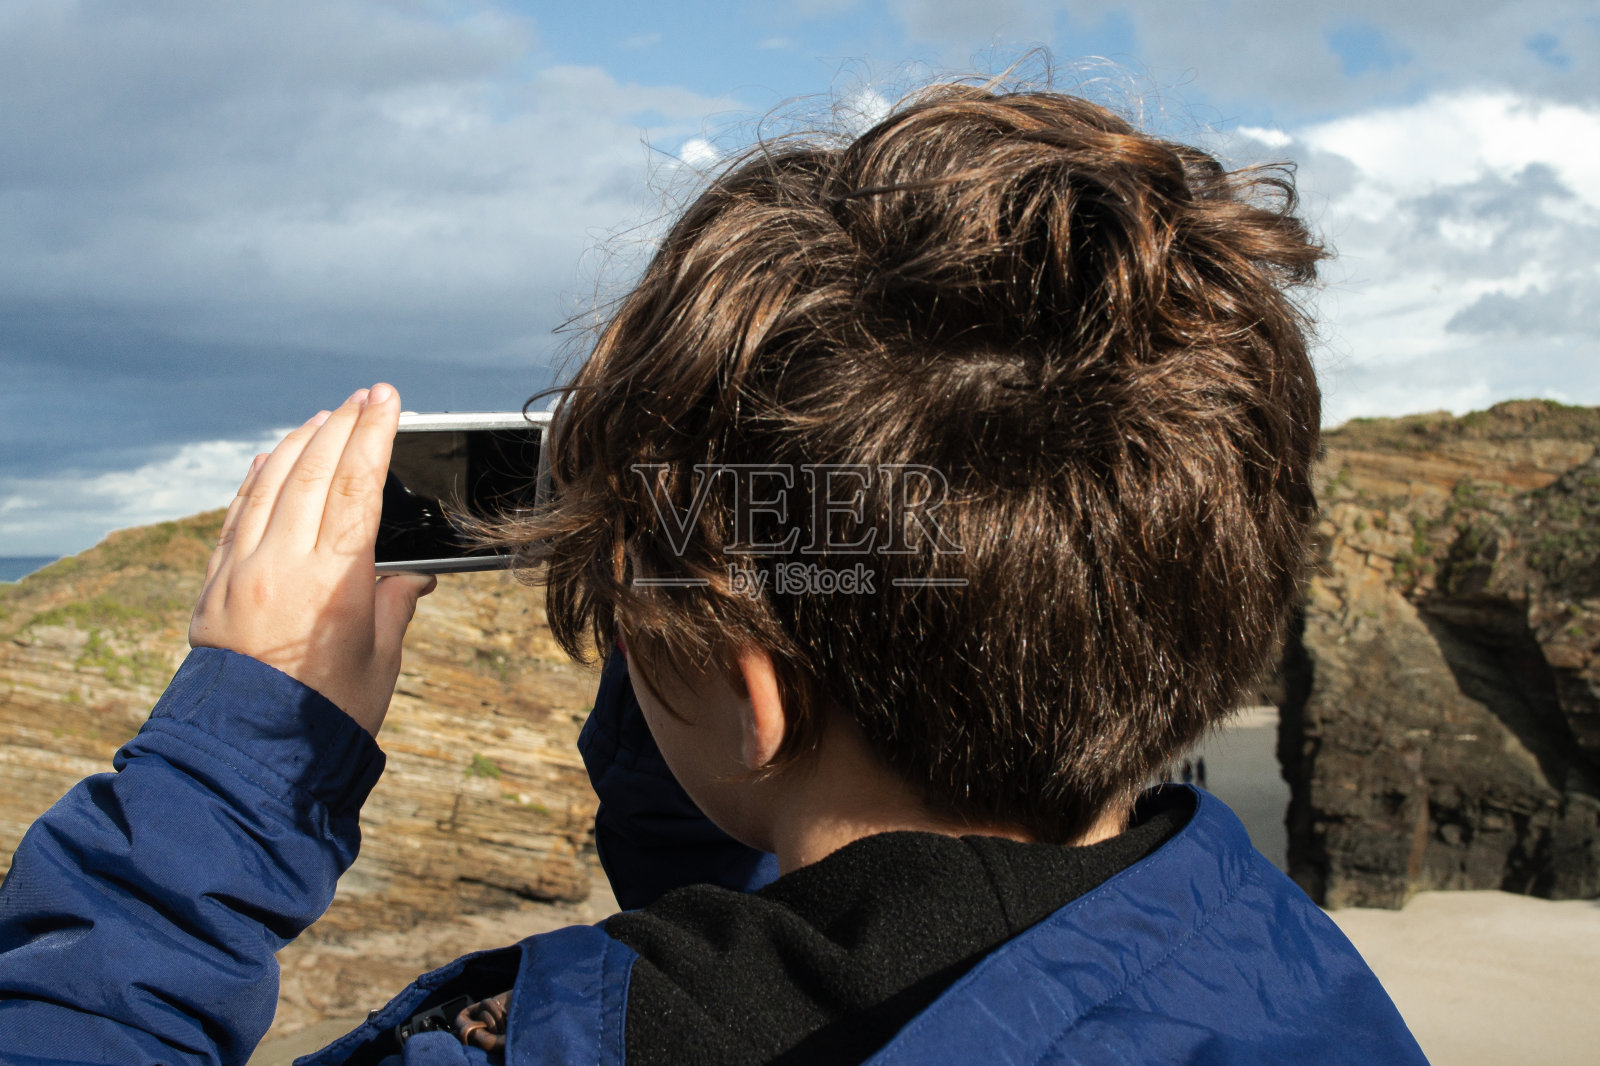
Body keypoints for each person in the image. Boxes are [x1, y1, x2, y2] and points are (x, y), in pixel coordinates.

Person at [0, 83, 1429, 1065]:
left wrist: (224, 785)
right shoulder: (1288, 982)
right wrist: (709, 622)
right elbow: (827, 894)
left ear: (752, 694)